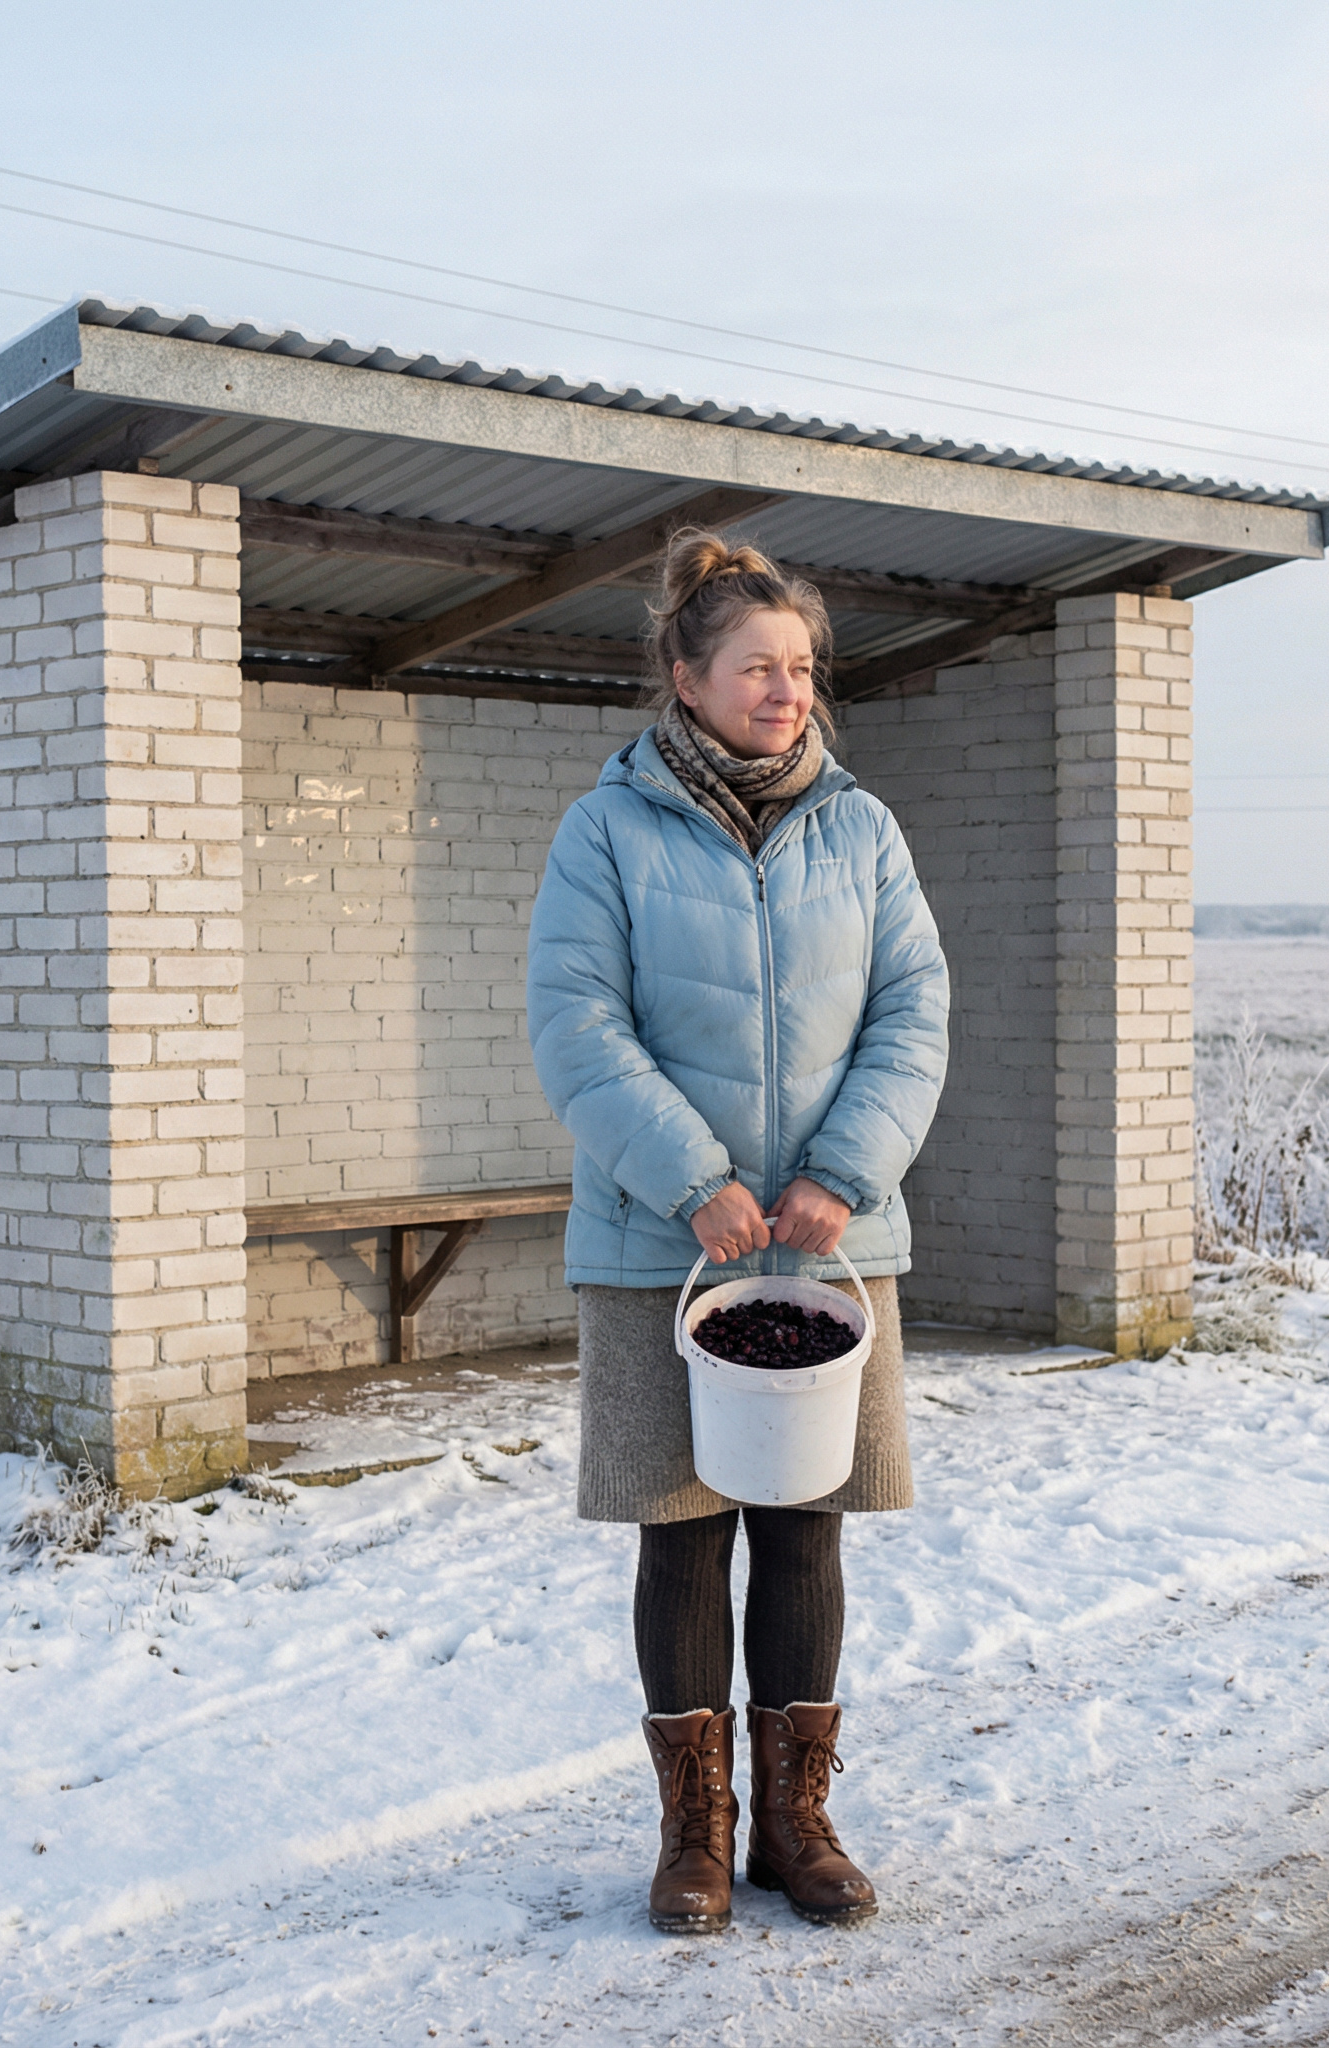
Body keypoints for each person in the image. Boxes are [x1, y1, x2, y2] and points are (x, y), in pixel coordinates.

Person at [526, 528, 950, 1934]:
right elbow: (576, 1026)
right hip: (666, 1246)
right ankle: (694, 1835)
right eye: (759, 666)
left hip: (830, 1247)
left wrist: (845, 1170)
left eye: (804, 668)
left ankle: (798, 1823)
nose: (790, 690)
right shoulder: (608, 830)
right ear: (685, 675)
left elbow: (914, 1018)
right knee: (684, 1535)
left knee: (809, 1531)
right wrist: (690, 1176)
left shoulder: (864, 831)